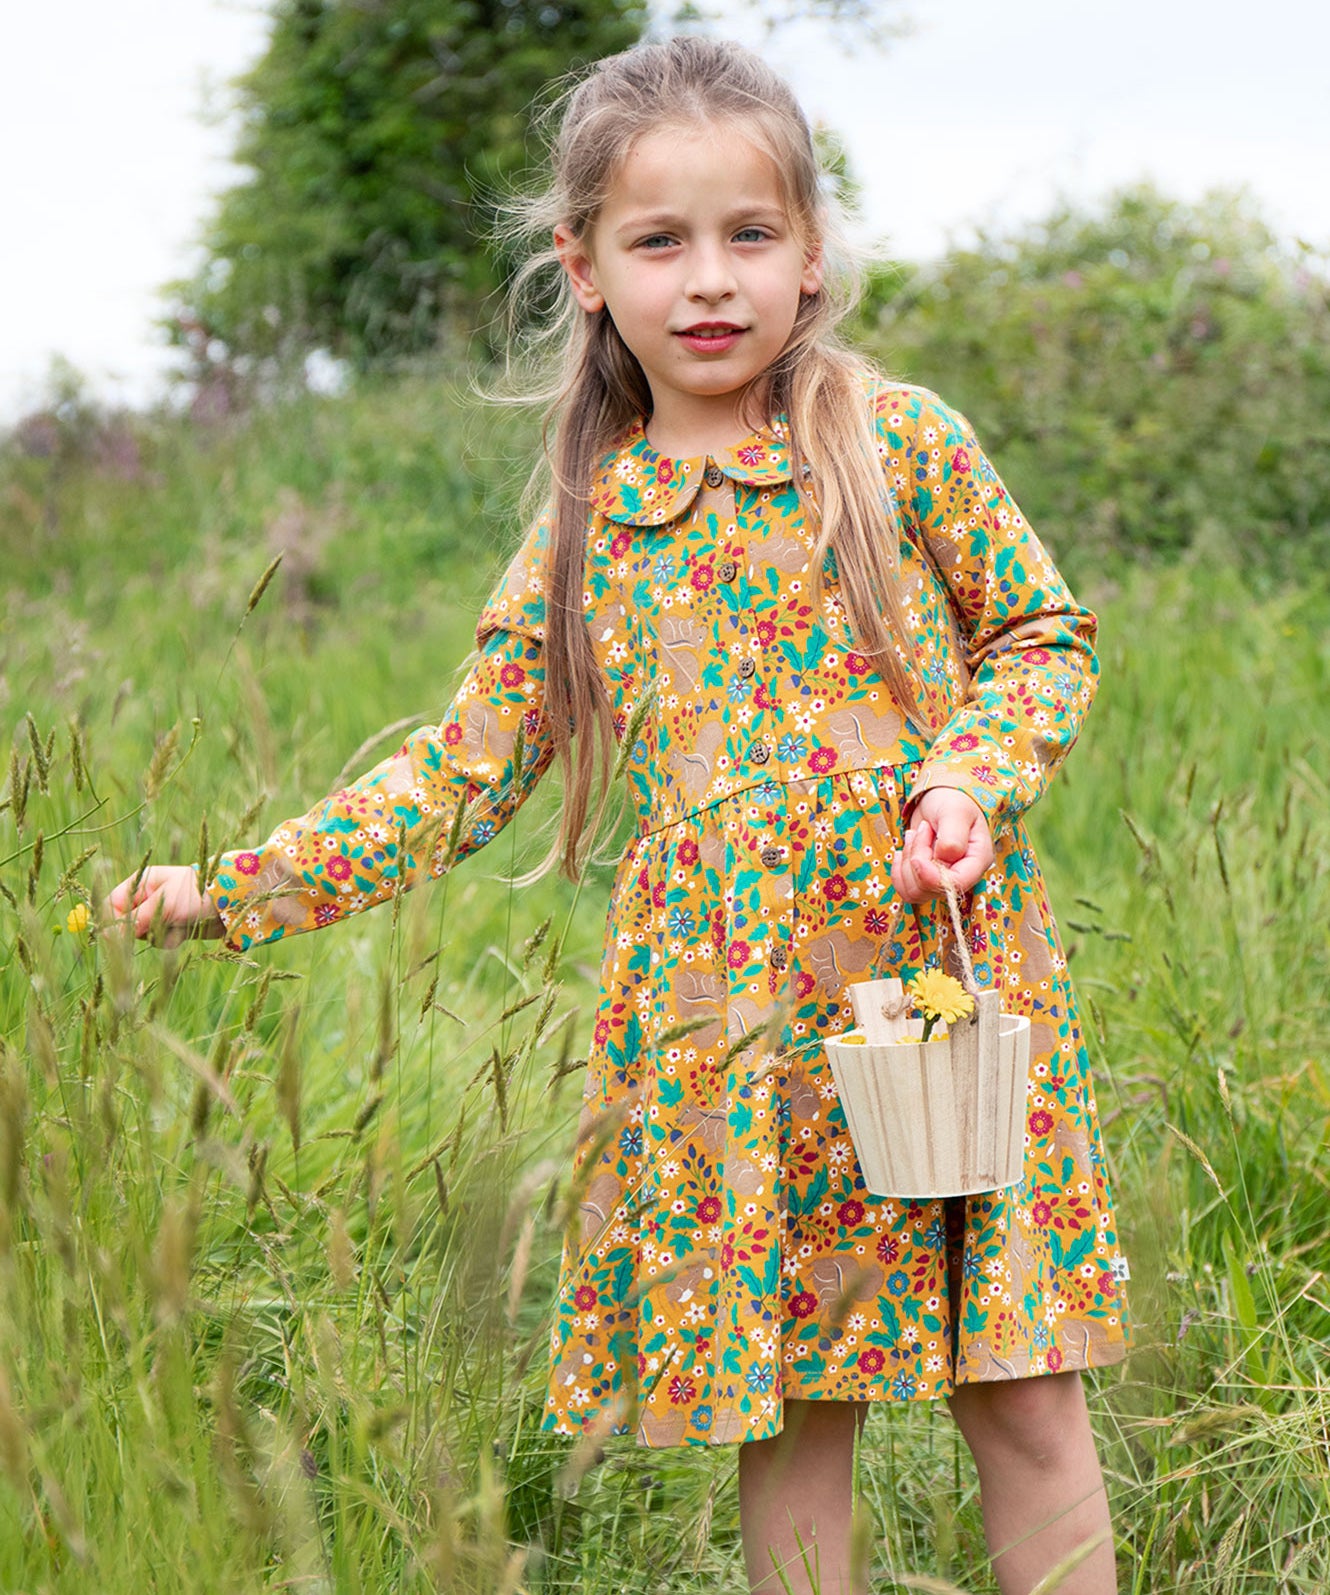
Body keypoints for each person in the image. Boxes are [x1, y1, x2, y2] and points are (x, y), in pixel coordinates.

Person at [110, 35, 1128, 1595]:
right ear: (585, 268)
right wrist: (228, 889)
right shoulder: (588, 534)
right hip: (722, 1025)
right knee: (786, 1406)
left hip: (932, 985)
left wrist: (965, 776)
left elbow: (1040, 639)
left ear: (807, 255)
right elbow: (452, 777)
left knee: (1023, 1382)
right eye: (659, 241)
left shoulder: (891, 442)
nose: (707, 280)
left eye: (749, 235)